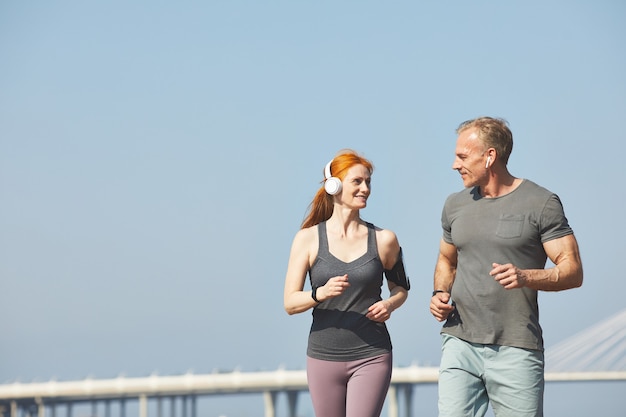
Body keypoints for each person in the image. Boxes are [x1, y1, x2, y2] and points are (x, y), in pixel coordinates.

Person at [430, 117, 583, 417]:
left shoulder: (541, 203)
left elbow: (573, 270)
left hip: (517, 348)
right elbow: (447, 260)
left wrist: (526, 276)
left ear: (489, 157)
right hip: (459, 342)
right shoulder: (454, 205)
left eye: (462, 156)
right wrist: (439, 293)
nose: (454, 165)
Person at [283, 149, 410, 417]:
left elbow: (401, 289)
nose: (365, 188)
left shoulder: (385, 239)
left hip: (372, 354)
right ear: (335, 185)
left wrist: (390, 304)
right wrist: (319, 294)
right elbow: (290, 303)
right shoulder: (307, 239)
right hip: (322, 357)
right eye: (357, 182)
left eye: (368, 182)